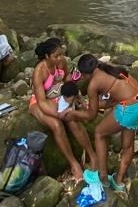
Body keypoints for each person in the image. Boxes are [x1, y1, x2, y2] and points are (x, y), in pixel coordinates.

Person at [65, 53, 138, 193]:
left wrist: (73, 114)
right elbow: (113, 100)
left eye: (83, 76)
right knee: (127, 146)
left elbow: (91, 116)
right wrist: (90, 105)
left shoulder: (93, 84)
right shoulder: (111, 69)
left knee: (99, 132)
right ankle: (118, 181)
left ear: (85, 74)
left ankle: (102, 176)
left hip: (128, 109)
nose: (83, 78)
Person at [29, 38, 94, 181]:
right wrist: (58, 114)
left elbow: (67, 81)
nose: (60, 58)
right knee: (57, 125)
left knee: (72, 120)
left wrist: (76, 97)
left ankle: (91, 154)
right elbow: (41, 101)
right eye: (56, 56)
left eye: (60, 54)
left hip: (58, 97)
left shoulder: (62, 62)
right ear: (47, 56)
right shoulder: (39, 71)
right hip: (41, 102)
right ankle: (73, 163)